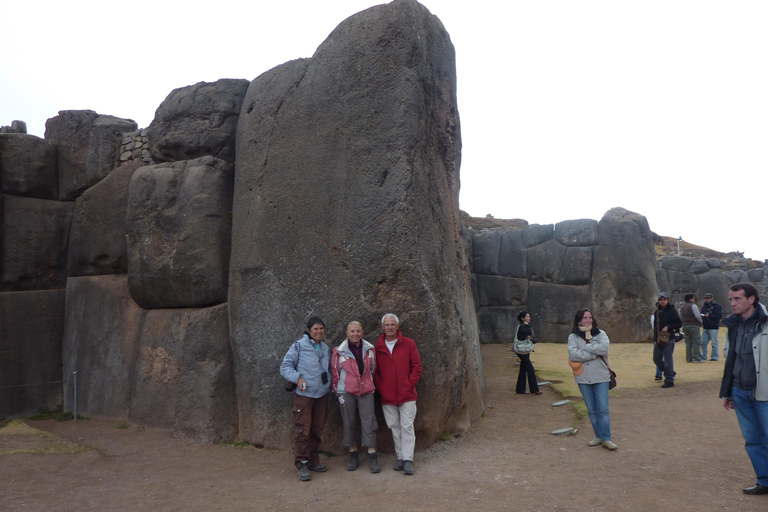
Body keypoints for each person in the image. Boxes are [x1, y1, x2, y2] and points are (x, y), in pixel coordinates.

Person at [719, 283, 768, 496]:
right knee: (753, 440)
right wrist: (729, 392)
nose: (733, 303)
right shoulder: (733, 325)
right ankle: (764, 481)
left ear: (752, 299)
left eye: (737, 299)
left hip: (765, 393)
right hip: (740, 392)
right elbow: (731, 360)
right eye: (731, 299)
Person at [280, 316, 332, 482]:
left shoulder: (325, 348)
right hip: (304, 396)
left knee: (317, 429)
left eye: (321, 328)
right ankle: (302, 463)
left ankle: (313, 461)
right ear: (309, 330)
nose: (318, 331)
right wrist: (298, 378)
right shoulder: (298, 346)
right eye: (315, 329)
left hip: (321, 394)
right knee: (303, 429)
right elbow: (285, 367)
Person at [374, 313, 422, 476]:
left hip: (407, 394)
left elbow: (417, 367)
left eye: (392, 324)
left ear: (398, 326)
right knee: (394, 427)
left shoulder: (408, 344)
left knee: (407, 426)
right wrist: (382, 387)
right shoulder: (378, 348)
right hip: (387, 396)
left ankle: (408, 460)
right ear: (383, 327)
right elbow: (375, 372)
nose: (390, 327)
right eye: (387, 325)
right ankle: (400, 457)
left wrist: (409, 384)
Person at [330, 321, 379, 473]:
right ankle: (353, 454)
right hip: (346, 391)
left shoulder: (369, 349)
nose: (355, 334)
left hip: (366, 390)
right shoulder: (339, 351)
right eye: (352, 331)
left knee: (369, 421)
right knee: (349, 421)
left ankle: (372, 455)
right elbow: (335, 372)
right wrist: (339, 390)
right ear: (347, 332)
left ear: (362, 332)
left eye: (358, 331)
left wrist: (368, 384)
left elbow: (373, 369)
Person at [567, 308, 617, 450]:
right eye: (585, 318)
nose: (588, 320)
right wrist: (592, 352)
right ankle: (598, 436)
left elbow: (603, 349)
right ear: (579, 320)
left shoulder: (601, 334)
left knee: (603, 409)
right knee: (592, 409)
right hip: (583, 377)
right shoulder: (573, 337)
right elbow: (573, 355)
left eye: (590, 317)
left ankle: (607, 438)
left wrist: (586, 349)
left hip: (601, 376)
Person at [653, 292, 683, 388]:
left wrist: (668, 326)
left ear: (668, 300)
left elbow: (679, 323)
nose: (662, 301)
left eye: (664, 299)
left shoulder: (672, 311)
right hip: (659, 339)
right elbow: (655, 326)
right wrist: (654, 339)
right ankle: (670, 372)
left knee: (668, 360)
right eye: (661, 300)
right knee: (656, 358)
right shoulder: (657, 312)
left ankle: (669, 379)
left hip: (669, 338)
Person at [514, 311, 541, 395]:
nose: (529, 318)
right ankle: (534, 389)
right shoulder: (523, 327)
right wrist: (527, 325)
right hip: (522, 351)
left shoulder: (525, 327)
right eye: (527, 316)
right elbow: (529, 333)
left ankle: (520, 389)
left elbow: (534, 338)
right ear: (523, 318)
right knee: (530, 369)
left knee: (523, 369)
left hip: (525, 350)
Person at [680, 294, 704, 362]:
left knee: (688, 342)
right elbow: (697, 316)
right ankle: (697, 358)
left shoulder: (682, 306)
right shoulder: (693, 305)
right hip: (693, 325)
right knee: (696, 342)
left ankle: (689, 358)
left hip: (685, 325)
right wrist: (701, 321)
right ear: (691, 299)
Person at [701, 292, 723, 361]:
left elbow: (719, 316)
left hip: (713, 326)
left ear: (712, 298)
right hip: (705, 326)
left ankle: (715, 356)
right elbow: (702, 313)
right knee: (703, 342)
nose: (706, 299)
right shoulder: (704, 306)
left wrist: (709, 315)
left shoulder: (717, 306)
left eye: (707, 298)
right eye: (705, 298)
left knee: (714, 342)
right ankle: (703, 356)